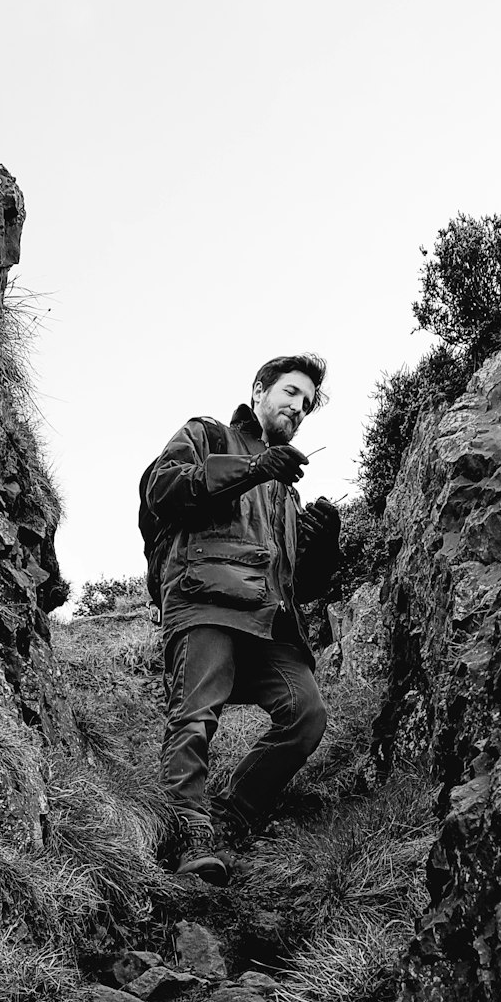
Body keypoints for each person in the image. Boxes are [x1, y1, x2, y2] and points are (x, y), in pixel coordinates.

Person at [145, 353, 342, 884]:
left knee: (306, 713)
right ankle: (187, 837)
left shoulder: (285, 490)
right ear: (260, 390)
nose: (298, 408)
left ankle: (232, 819)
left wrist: (323, 542)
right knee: (194, 717)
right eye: (291, 393)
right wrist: (254, 469)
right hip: (206, 599)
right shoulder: (207, 434)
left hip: (268, 622)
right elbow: (161, 490)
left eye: (306, 404)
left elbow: (300, 583)